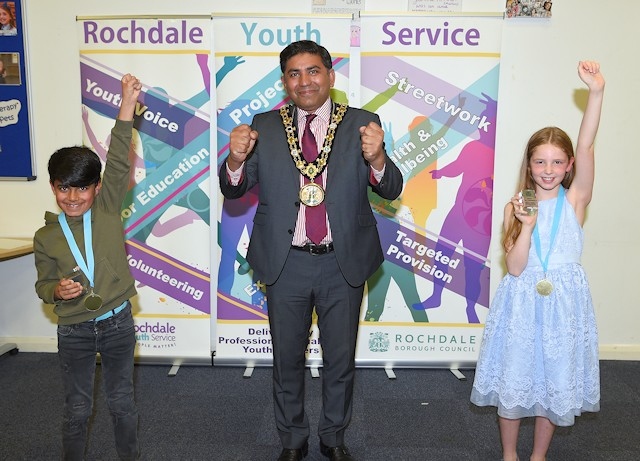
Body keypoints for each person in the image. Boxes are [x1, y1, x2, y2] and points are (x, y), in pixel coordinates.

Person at [220, 40, 403, 461]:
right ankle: (292, 440)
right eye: (294, 73)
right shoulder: (263, 126)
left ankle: (334, 437)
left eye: (313, 71)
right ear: (284, 81)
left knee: (340, 360)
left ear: (330, 76)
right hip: (286, 263)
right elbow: (235, 190)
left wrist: (377, 159)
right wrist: (233, 159)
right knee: (287, 360)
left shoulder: (362, 123)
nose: (305, 81)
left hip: (344, 262)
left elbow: (391, 188)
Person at [470, 60, 605, 461]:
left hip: (565, 303)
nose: (548, 170)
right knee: (515, 376)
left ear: (569, 167)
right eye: (540, 162)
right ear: (528, 165)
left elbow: (587, 144)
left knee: (553, 379)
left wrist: (595, 92)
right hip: (522, 301)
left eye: (557, 162)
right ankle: (510, 454)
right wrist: (526, 225)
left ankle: (538, 455)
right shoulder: (516, 206)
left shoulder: (575, 200)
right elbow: (513, 268)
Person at [34, 73, 142, 460]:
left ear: (97, 187)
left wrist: (126, 104)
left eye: (82, 187)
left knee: (122, 403)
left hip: (117, 323)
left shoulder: (108, 206)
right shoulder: (46, 236)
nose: (73, 196)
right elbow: (43, 286)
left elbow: (116, 157)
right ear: (53, 186)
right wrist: (55, 291)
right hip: (74, 330)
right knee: (77, 409)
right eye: (64, 187)